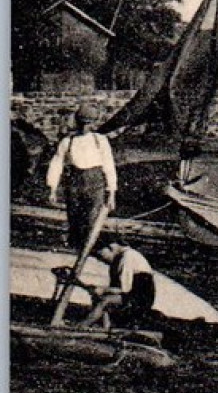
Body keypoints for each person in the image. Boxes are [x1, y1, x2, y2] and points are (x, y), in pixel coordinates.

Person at [46, 108, 118, 253]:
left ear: (93, 124)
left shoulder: (100, 140)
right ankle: (75, 250)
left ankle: (90, 249)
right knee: (74, 216)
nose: (85, 127)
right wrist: (52, 189)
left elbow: (109, 166)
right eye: (82, 124)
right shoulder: (68, 141)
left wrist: (111, 193)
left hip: (95, 183)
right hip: (75, 183)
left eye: (88, 124)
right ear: (77, 123)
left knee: (92, 218)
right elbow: (56, 163)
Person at [80, 241, 156, 330]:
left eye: (101, 255)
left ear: (111, 246)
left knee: (105, 300)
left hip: (141, 298)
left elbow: (124, 289)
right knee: (102, 297)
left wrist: (102, 289)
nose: (101, 259)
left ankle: (83, 325)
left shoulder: (127, 256)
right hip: (132, 294)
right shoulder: (119, 259)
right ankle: (106, 327)